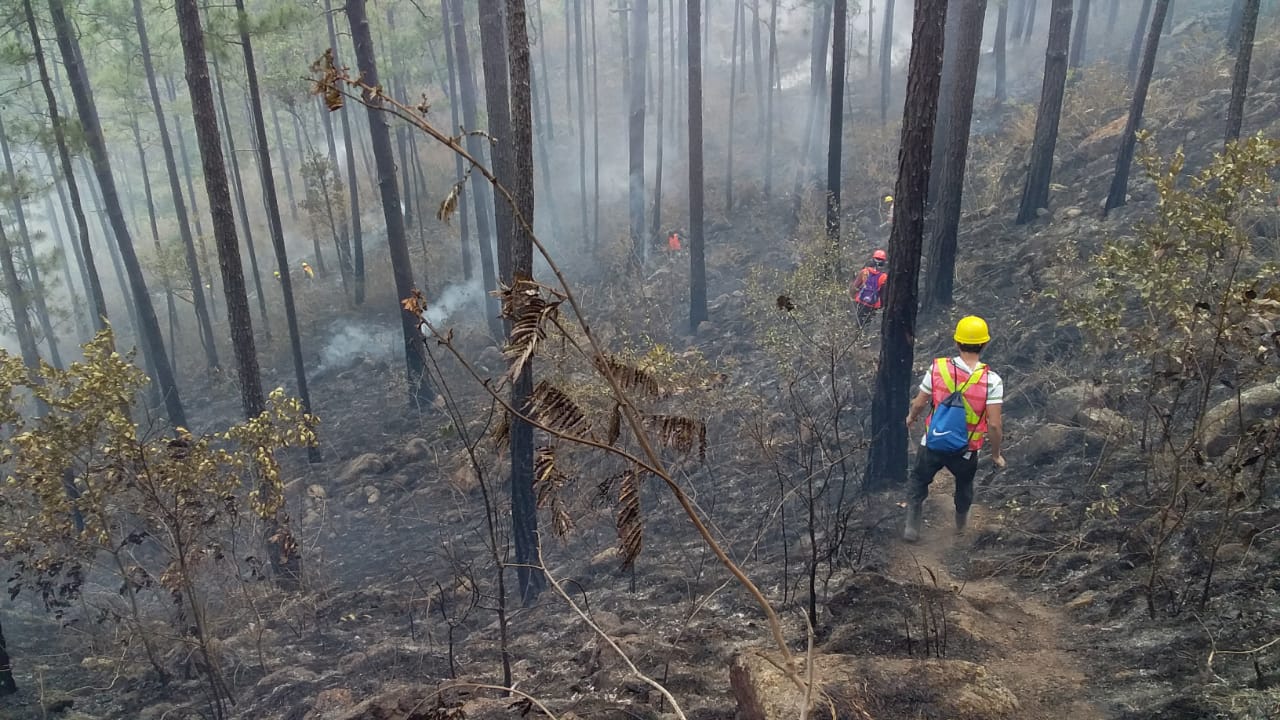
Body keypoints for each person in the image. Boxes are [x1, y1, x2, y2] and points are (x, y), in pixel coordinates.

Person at [903, 316, 1006, 542]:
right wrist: (996, 454)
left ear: (957, 342)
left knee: (918, 480)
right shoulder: (992, 380)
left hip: (932, 442)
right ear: (985, 344)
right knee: (964, 485)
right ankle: (960, 527)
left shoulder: (938, 368)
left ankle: (911, 527)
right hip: (966, 449)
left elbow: (920, 402)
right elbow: (995, 424)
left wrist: (911, 418)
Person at [849, 249, 888, 329]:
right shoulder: (884, 277)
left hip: (860, 301)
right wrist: (882, 305)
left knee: (859, 323)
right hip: (873, 305)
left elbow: (855, 286)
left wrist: (852, 296)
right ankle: (864, 337)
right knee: (868, 325)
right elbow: (883, 294)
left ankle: (857, 337)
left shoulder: (864, 272)